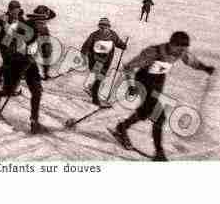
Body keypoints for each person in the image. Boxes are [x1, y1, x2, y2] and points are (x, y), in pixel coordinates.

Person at [111, 31, 215, 161]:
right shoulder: (153, 52)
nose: (181, 52)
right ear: (172, 44)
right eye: (179, 48)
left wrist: (205, 68)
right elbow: (129, 66)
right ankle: (159, 152)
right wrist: (131, 85)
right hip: (143, 81)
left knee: (145, 112)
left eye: (184, 49)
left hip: (158, 82)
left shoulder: (180, 52)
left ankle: (122, 127)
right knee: (159, 117)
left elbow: (191, 61)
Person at [0, 5, 55, 134]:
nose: (44, 23)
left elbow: (45, 50)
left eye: (44, 21)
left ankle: (34, 121)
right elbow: (9, 41)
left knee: (36, 91)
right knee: (12, 89)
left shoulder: (30, 25)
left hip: (29, 62)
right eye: (43, 20)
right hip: (18, 61)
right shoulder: (31, 27)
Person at [81, 18, 127, 107]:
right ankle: (95, 98)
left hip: (107, 60)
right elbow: (86, 46)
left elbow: (118, 42)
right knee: (98, 78)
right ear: (99, 27)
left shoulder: (112, 34)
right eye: (101, 27)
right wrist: (84, 55)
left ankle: (91, 88)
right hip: (95, 60)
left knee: (100, 77)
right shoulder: (94, 35)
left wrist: (123, 45)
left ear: (108, 27)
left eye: (105, 27)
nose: (103, 29)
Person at [0, 0, 23, 83]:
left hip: (14, 43)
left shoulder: (20, 18)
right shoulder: (3, 18)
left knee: (11, 62)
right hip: (4, 43)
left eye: (18, 10)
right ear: (10, 9)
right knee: (9, 62)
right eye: (15, 10)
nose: (16, 12)